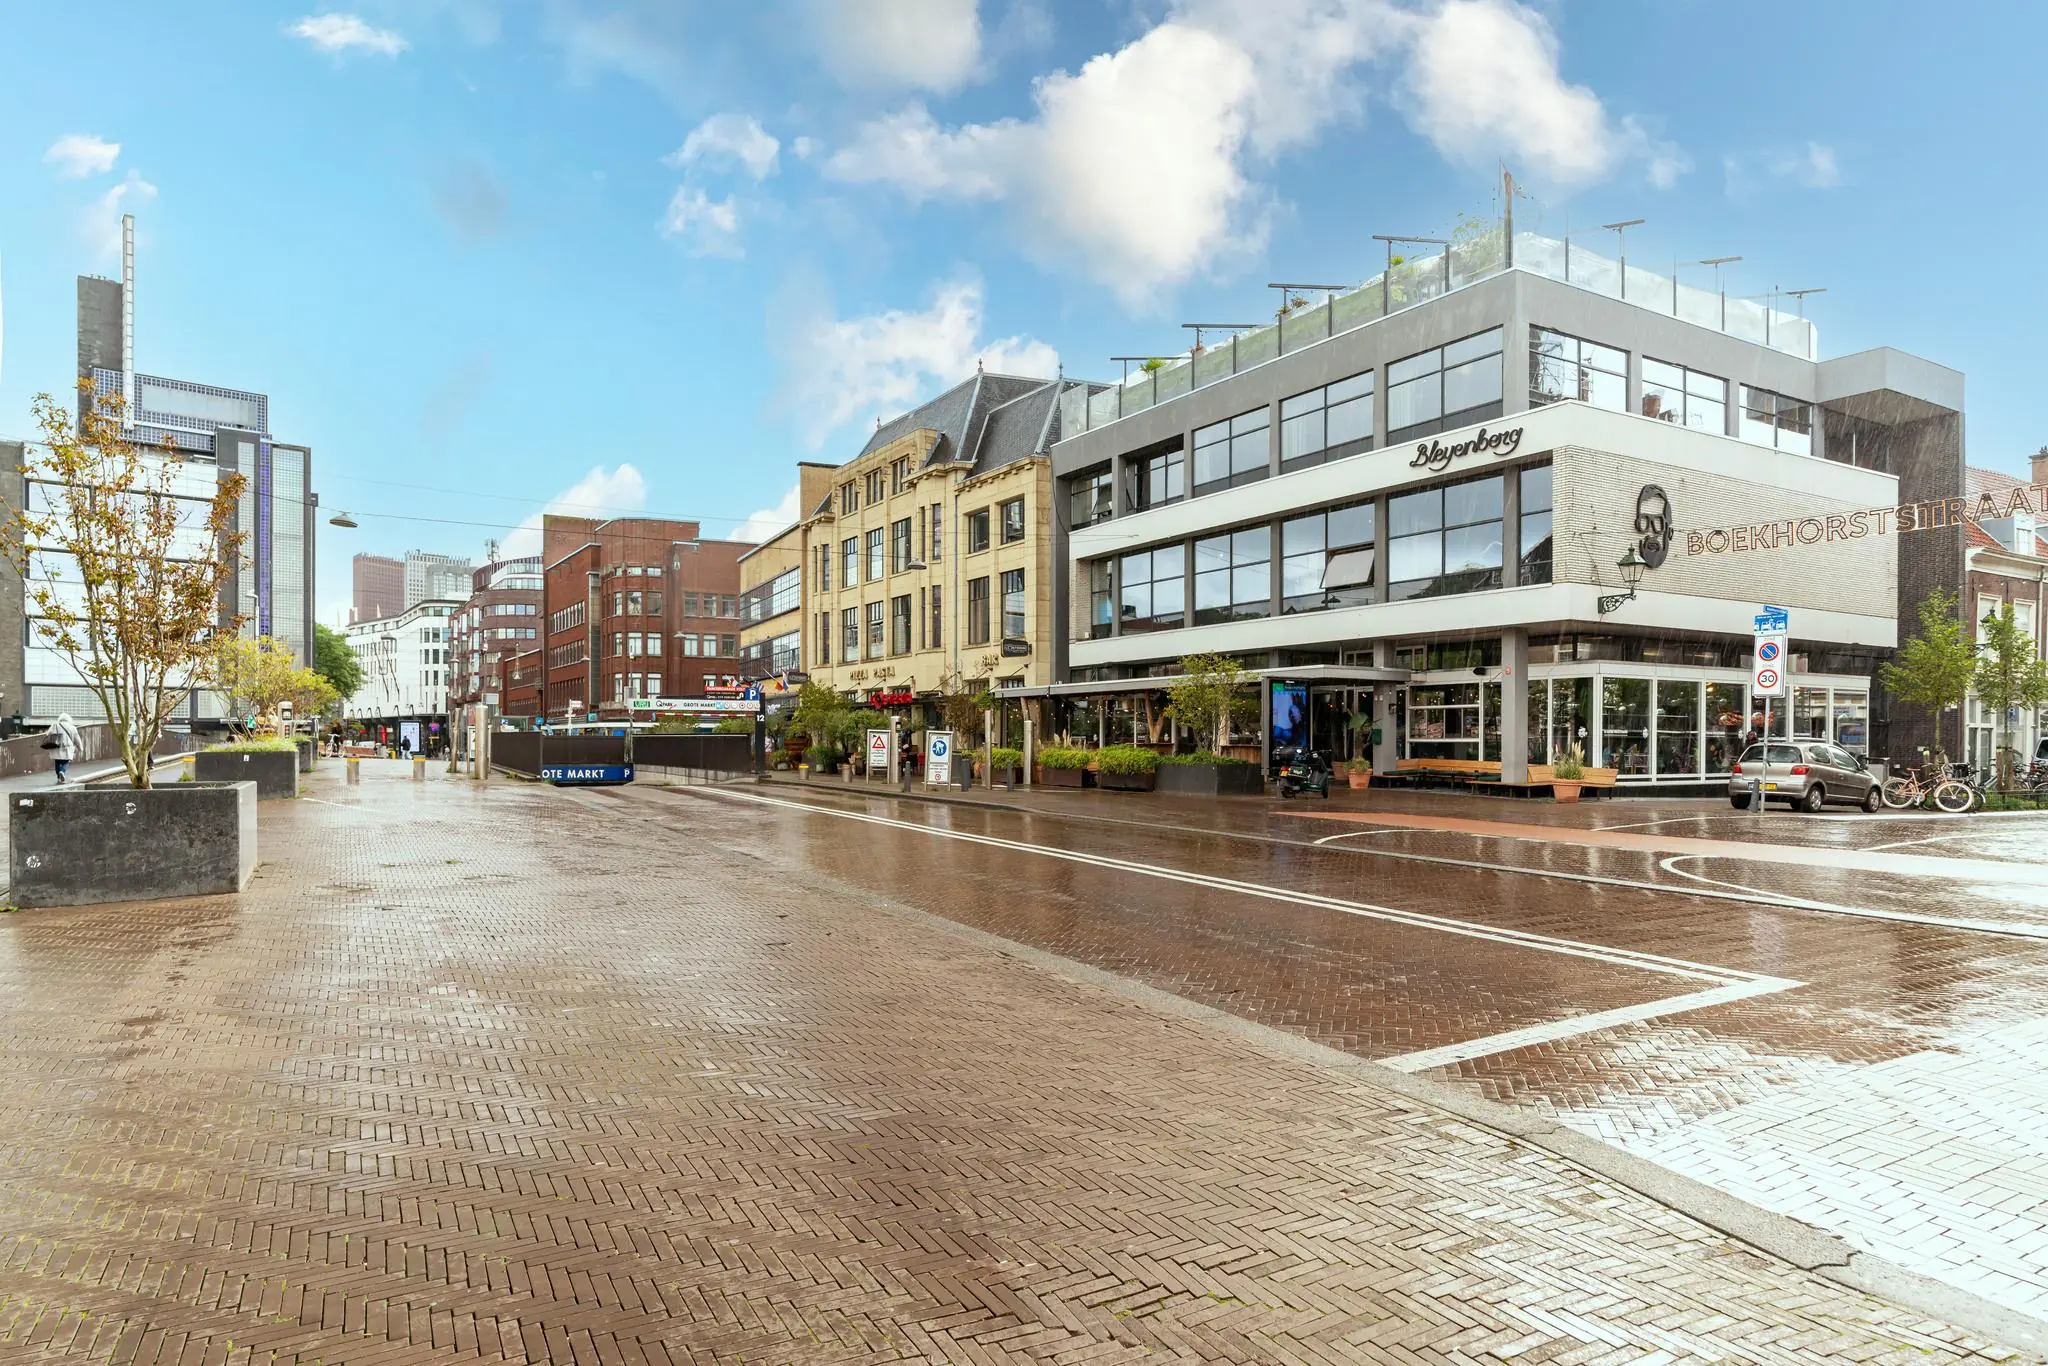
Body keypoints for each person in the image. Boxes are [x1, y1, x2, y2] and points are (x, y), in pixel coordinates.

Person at [49, 712, 83, 784]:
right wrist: (80, 748)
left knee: (57, 761)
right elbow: (77, 739)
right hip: (67, 747)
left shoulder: (55, 726)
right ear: (69, 719)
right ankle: (62, 771)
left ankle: (59, 777)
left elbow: (48, 734)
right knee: (66, 761)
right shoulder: (72, 727)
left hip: (56, 746)